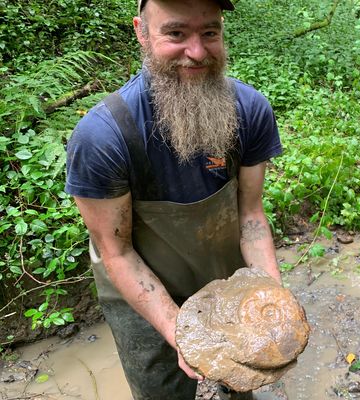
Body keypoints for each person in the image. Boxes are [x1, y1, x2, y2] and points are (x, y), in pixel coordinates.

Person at [65, 0, 282, 399]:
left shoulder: (250, 111)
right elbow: (117, 253)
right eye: (176, 33)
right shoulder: (102, 136)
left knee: (244, 376)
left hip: (220, 273)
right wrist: (181, 331)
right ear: (142, 32)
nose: (197, 52)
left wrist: (271, 302)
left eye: (210, 33)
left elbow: (250, 216)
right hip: (140, 286)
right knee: (161, 391)